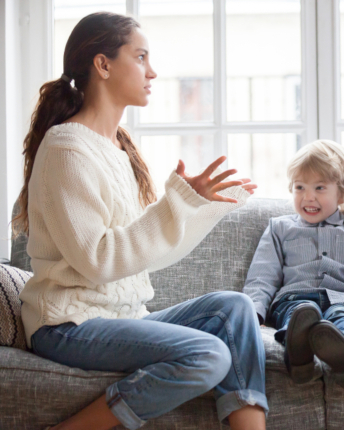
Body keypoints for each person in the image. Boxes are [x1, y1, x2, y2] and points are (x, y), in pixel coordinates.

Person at [14, 12, 267, 430]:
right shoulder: (67, 150)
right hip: (66, 325)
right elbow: (99, 260)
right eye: (141, 56)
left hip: (118, 317)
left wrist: (200, 207)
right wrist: (174, 206)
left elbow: (143, 256)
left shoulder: (116, 150)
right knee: (209, 354)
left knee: (235, 308)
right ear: (103, 64)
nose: (153, 71)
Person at [242, 140, 344, 389]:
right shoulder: (279, 228)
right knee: (300, 314)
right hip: (293, 299)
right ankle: (299, 357)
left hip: (343, 298)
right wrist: (254, 312)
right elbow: (262, 275)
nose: (308, 197)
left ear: (343, 193)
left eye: (319, 188)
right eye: (300, 187)